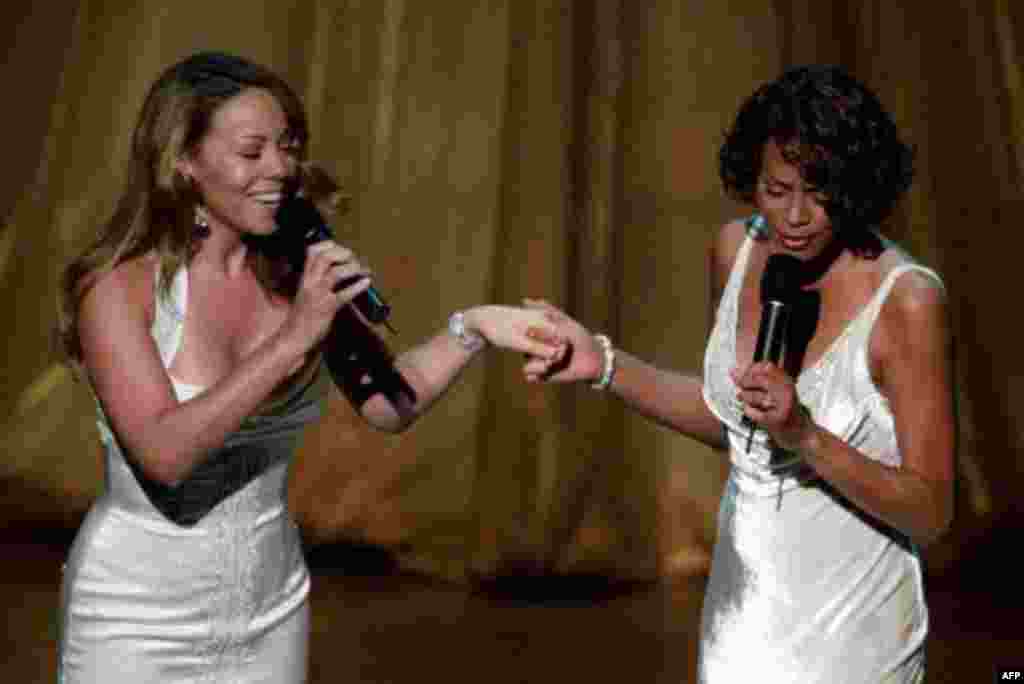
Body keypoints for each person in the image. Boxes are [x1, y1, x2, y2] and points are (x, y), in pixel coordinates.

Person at [54, 51, 565, 683]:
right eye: (253, 150)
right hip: (135, 618)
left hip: (270, 611)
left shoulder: (293, 275)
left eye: (287, 147)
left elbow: (387, 404)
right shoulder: (117, 289)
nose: (281, 168)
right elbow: (164, 454)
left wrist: (477, 327)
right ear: (184, 162)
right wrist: (295, 337)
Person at [523, 65, 954, 683]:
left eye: (820, 189)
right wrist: (605, 363)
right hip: (743, 628)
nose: (797, 215)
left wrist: (805, 436)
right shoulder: (736, 249)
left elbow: (931, 512)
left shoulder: (906, 299)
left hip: (853, 637)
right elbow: (735, 423)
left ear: (856, 184)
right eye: (777, 191)